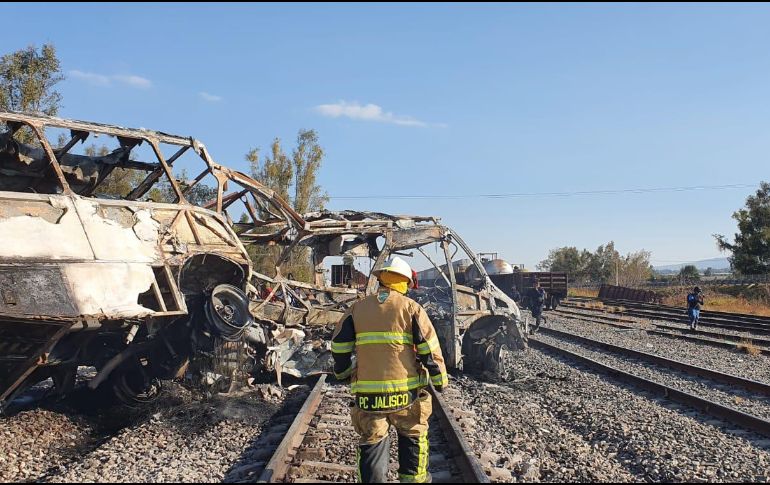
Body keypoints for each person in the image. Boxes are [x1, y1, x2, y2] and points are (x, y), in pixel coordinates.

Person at [331, 256, 448, 483]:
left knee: (372, 442)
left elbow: (339, 346)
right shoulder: (411, 308)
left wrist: (343, 373)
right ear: (404, 282)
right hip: (406, 396)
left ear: (382, 280)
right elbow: (429, 349)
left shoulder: (358, 308)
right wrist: (440, 380)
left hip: (369, 398)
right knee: (413, 438)